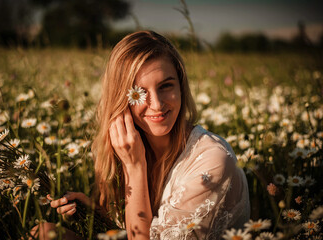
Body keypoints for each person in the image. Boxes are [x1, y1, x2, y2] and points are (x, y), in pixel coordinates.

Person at [31, 30, 250, 239]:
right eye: (139, 92)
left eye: (166, 86)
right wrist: (93, 214)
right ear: (121, 98)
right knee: (42, 232)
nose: (156, 104)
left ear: (181, 86)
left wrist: (134, 166)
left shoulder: (212, 162)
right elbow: (126, 230)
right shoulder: (125, 145)